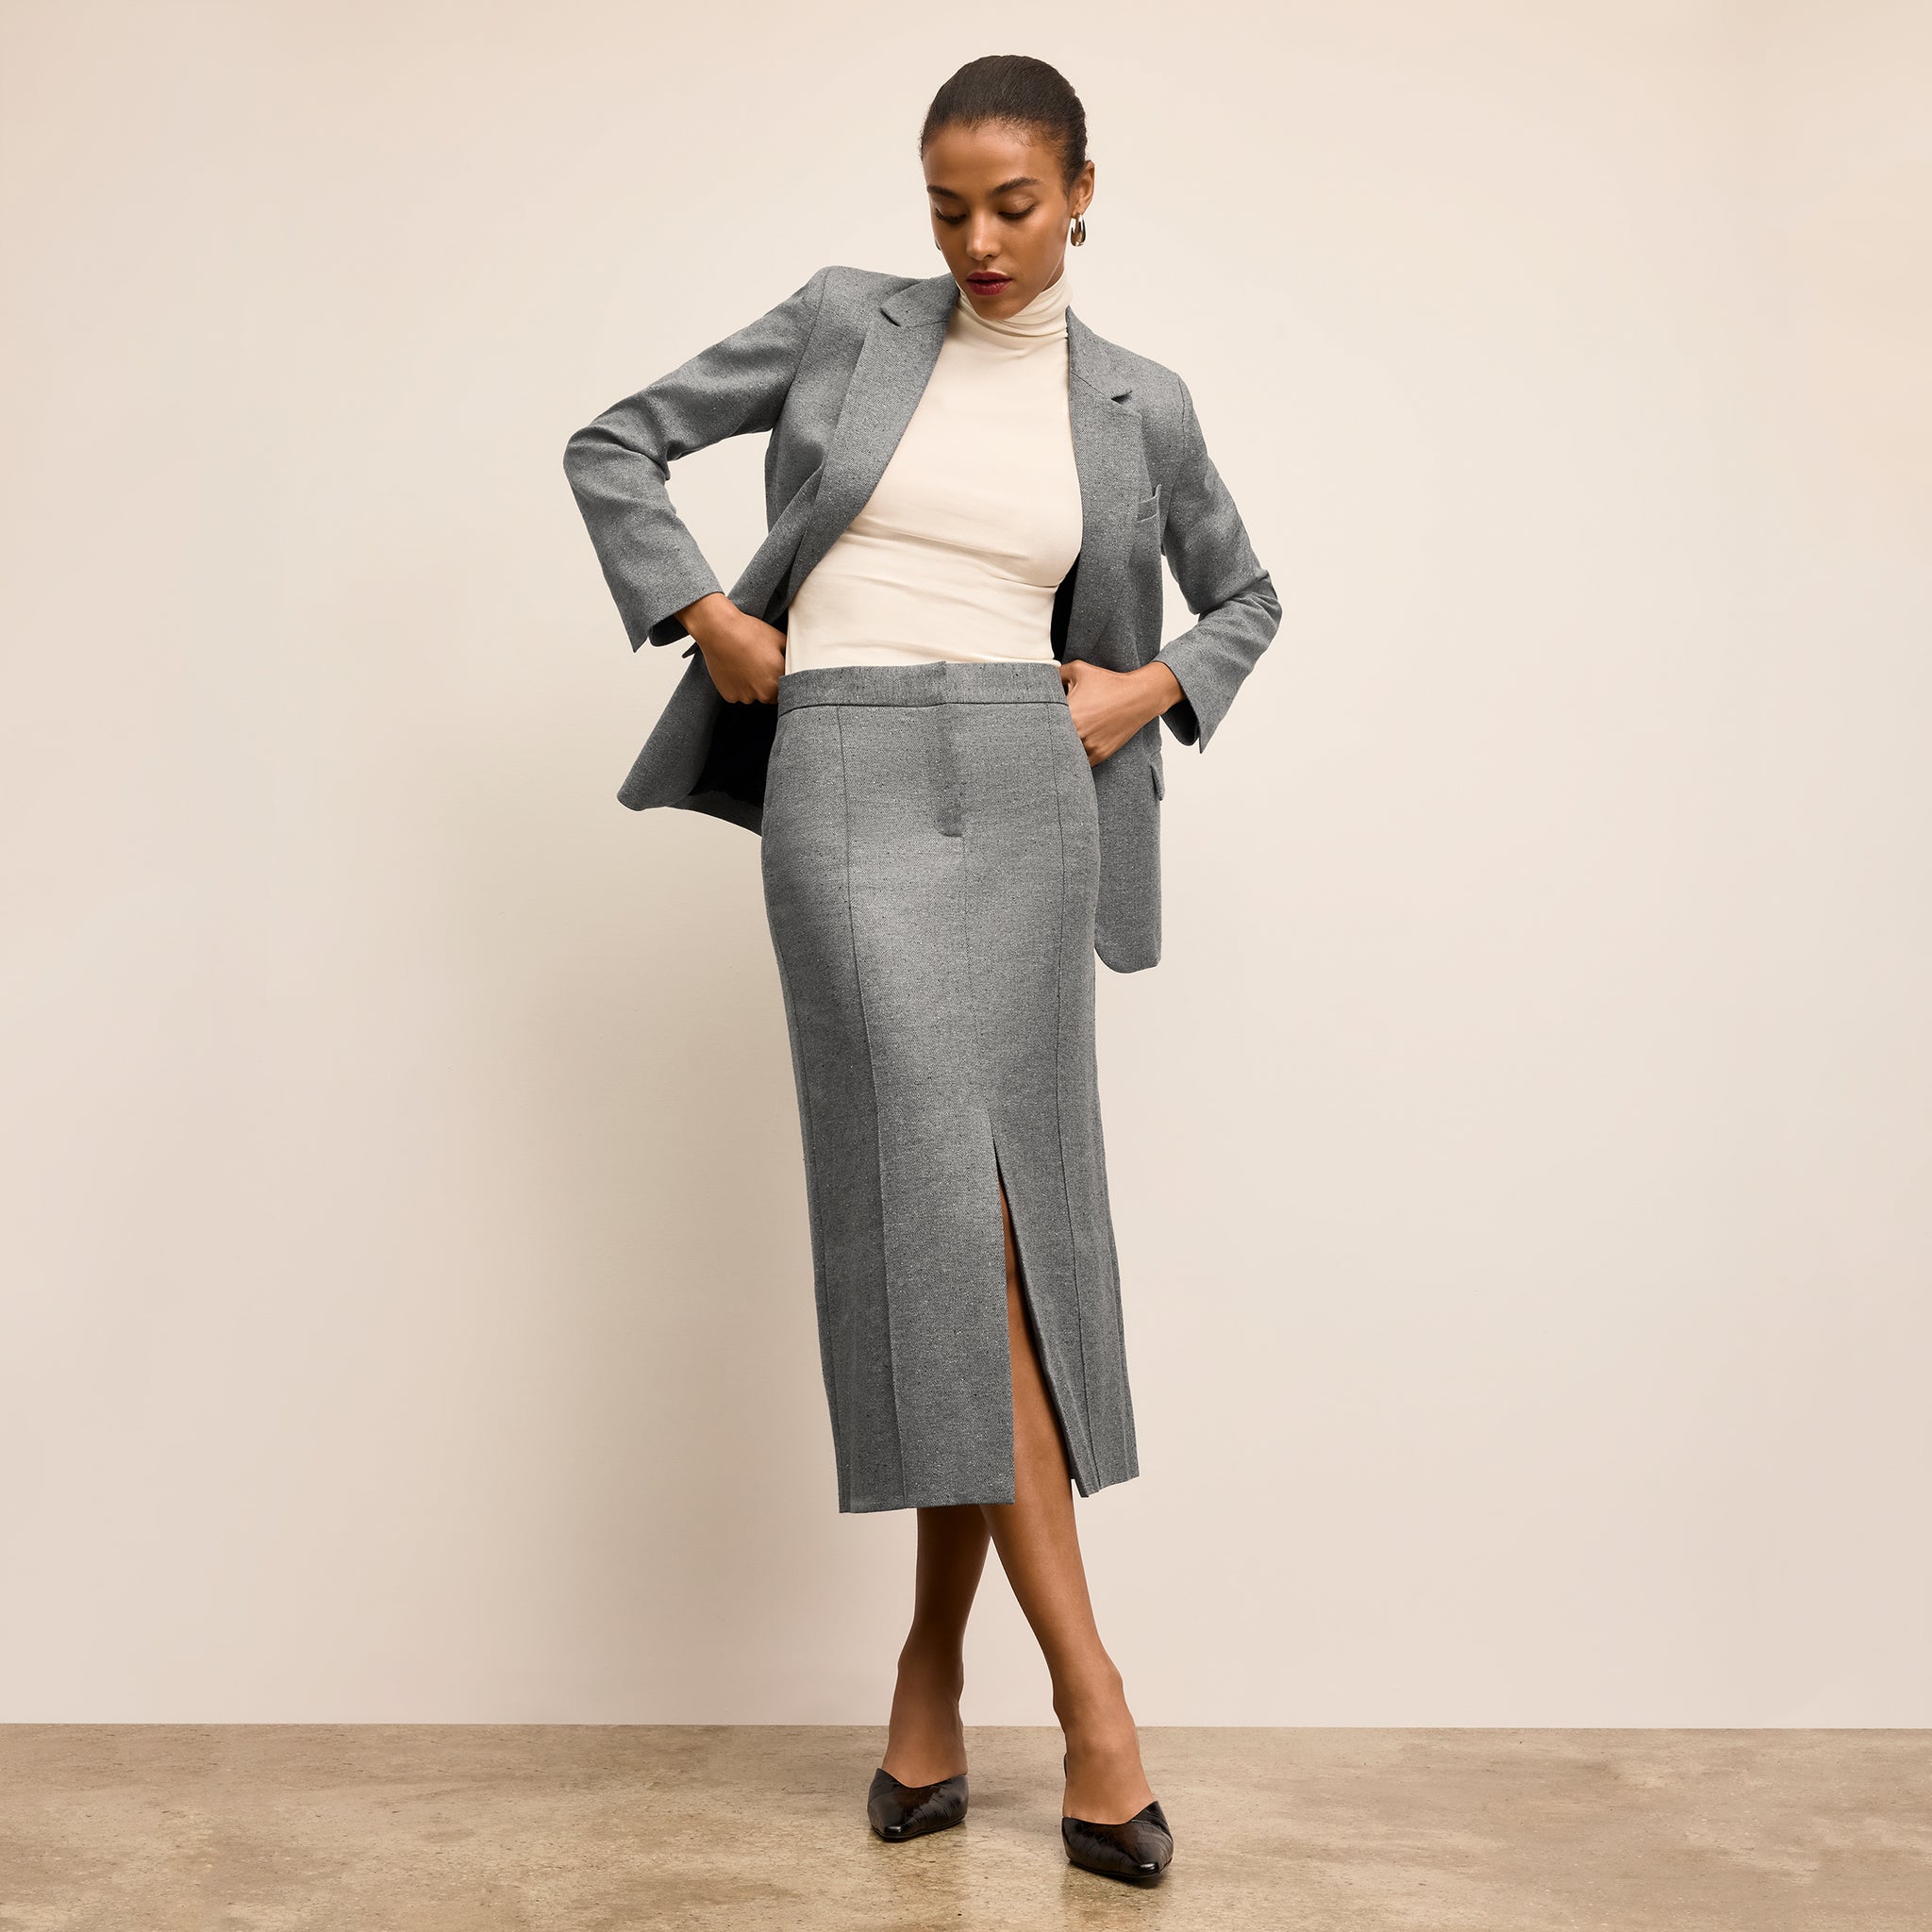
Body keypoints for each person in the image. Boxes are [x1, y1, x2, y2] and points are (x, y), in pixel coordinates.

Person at [562, 54, 1278, 1888]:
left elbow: (1246, 597)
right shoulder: (837, 325)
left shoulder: (1138, 402)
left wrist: (1148, 685)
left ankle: (926, 1673)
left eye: (1012, 206)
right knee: (941, 1219)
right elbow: (614, 439)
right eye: (945, 206)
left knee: (1007, 1225)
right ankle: (1095, 1700)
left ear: (1083, 189)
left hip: (1029, 789)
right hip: (844, 776)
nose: (974, 242)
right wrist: (704, 611)